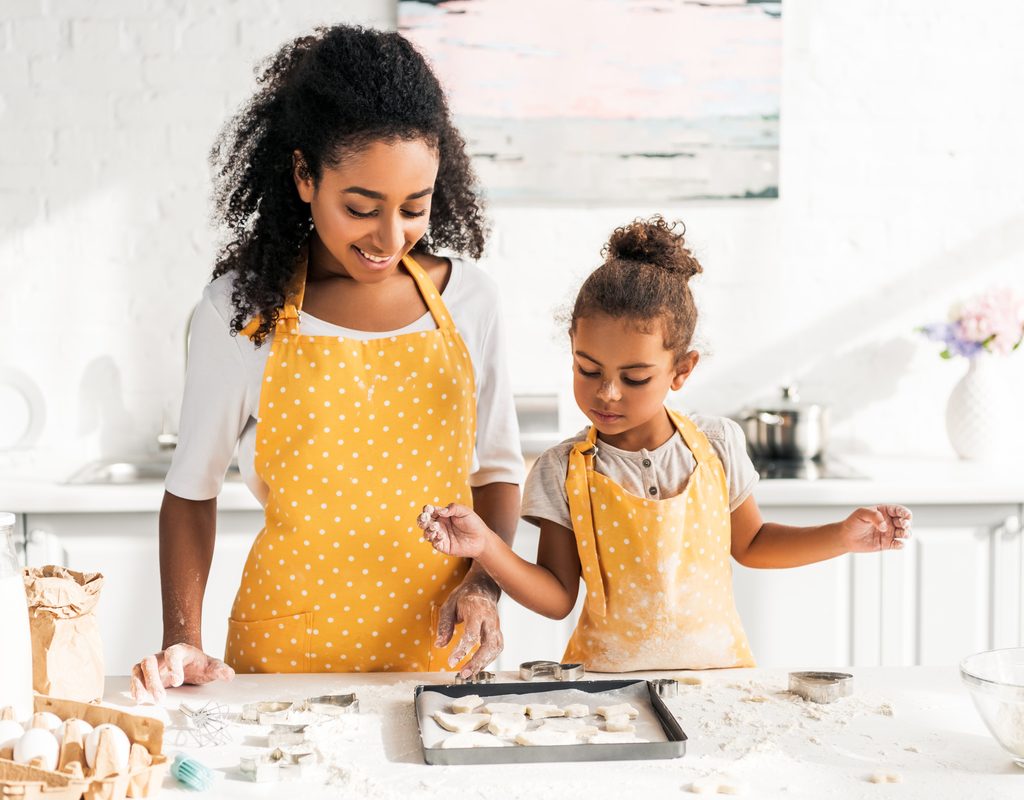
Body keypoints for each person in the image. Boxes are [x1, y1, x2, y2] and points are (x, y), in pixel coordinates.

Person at [130, 25, 524, 702]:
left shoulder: (472, 303)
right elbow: (192, 492)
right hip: (284, 657)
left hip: (433, 655)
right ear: (305, 176)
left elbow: (497, 474)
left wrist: (483, 585)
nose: (390, 238)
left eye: (414, 209)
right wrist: (183, 636)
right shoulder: (241, 310)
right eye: (361, 208)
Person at [418, 216, 912, 672]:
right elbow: (557, 597)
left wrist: (842, 536)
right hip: (607, 691)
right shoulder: (561, 470)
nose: (606, 393)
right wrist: (486, 546)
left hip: (720, 683)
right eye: (588, 369)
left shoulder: (717, 445)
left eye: (634, 377)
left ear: (682, 370)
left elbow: (755, 544)